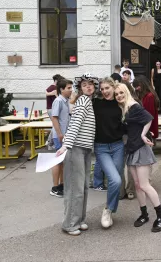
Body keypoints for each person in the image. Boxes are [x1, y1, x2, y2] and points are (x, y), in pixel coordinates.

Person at [115, 83, 161, 232]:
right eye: (116, 94)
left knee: (144, 185)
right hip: (131, 149)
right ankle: (144, 214)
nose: (119, 96)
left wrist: (143, 135)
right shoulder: (125, 109)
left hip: (140, 149)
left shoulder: (134, 106)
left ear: (126, 92)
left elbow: (149, 118)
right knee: (137, 185)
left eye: (121, 93)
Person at [56, 73, 98, 236]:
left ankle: (79, 220)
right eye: (85, 85)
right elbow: (75, 123)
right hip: (76, 148)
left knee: (83, 187)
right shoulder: (83, 100)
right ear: (80, 88)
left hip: (85, 149)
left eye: (91, 84)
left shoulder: (87, 101)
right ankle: (70, 224)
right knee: (75, 188)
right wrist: (66, 145)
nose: (88, 87)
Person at [93, 77, 126, 228]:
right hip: (101, 148)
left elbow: (129, 121)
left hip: (118, 146)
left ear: (113, 87)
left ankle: (109, 209)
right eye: (102, 89)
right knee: (116, 180)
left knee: (116, 181)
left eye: (107, 88)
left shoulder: (120, 103)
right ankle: (108, 210)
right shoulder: (96, 103)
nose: (105, 91)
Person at [50, 79, 73, 198]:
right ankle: (54, 187)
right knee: (58, 162)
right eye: (68, 88)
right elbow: (54, 118)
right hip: (60, 136)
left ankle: (62, 185)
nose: (71, 90)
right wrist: (59, 134)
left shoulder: (66, 101)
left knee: (63, 162)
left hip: (65, 135)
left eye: (71, 87)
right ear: (61, 89)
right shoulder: (58, 101)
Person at [133, 75, 160, 142]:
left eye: (137, 86)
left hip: (148, 130)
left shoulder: (149, 96)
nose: (136, 88)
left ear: (143, 84)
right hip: (147, 130)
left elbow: (148, 116)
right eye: (135, 87)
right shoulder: (146, 95)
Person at [46, 74, 64, 150]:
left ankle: (50, 142)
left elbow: (46, 93)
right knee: (55, 126)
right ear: (56, 81)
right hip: (53, 109)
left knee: (55, 125)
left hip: (49, 108)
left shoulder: (49, 87)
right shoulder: (55, 88)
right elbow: (59, 98)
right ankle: (50, 142)